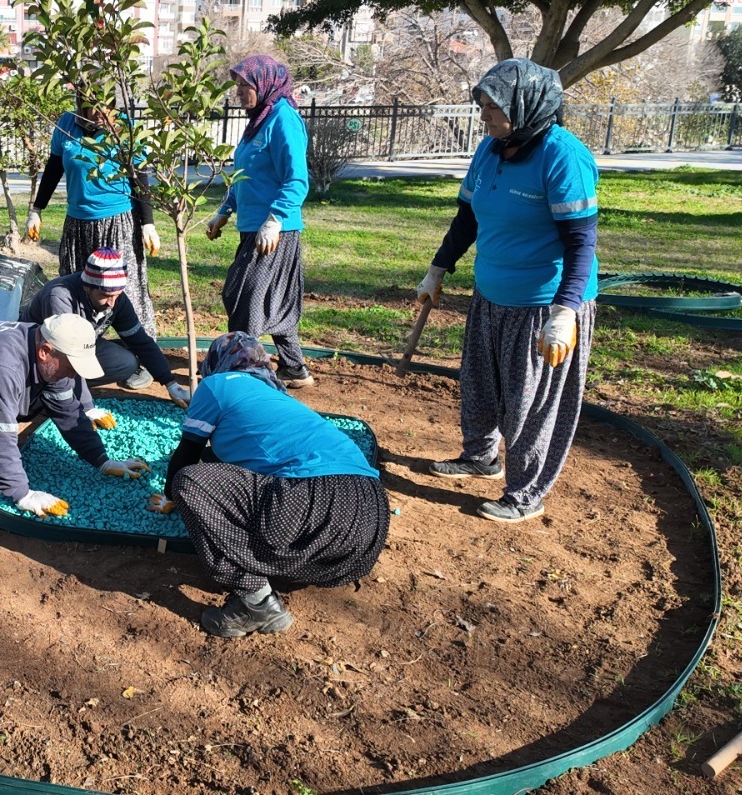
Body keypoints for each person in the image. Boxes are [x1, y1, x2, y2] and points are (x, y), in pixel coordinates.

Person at [415, 58, 598, 524]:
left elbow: (581, 241)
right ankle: (480, 457)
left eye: (492, 107)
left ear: (527, 105)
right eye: (482, 106)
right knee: (480, 382)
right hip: (491, 294)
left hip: (543, 305)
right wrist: (438, 268)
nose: (483, 115)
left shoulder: (563, 156)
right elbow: (468, 218)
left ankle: (526, 491)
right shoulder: (490, 150)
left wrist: (565, 311)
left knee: (528, 403)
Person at [156, 332, 388, 638]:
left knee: (190, 484)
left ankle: (256, 601)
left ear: (216, 364)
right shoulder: (278, 397)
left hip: (310, 500)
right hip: (365, 528)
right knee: (258, 504)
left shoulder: (217, 385)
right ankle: (276, 574)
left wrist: (170, 493)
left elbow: (184, 463)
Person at [0, 314, 150, 517]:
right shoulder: (2, 366)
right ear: (45, 351)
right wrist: (23, 494)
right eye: (71, 367)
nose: (73, 375)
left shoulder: (45, 346)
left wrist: (102, 459)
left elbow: (68, 411)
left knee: (35, 404)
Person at [204, 56, 313, 388]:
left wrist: (275, 218)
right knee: (268, 299)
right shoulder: (258, 123)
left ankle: (244, 375)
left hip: (274, 232)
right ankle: (294, 369)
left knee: (244, 298)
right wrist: (225, 209)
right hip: (252, 227)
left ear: (265, 85)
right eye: (237, 85)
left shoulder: (283, 120)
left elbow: (296, 179)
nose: (238, 92)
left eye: (244, 85)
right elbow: (246, 177)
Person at [26, 101, 159, 344]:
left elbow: (139, 177)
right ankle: (76, 345)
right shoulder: (66, 124)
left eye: (105, 106)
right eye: (92, 107)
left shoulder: (127, 128)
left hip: (117, 223)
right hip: (77, 224)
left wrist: (147, 223)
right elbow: (54, 168)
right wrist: (36, 210)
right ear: (80, 103)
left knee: (125, 289)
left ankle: (143, 352)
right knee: (77, 285)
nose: (99, 114)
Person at [20, 248, 190, 406]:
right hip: (40, 355)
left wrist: (171, 384)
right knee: (56, 374)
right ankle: (50, 390)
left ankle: (69, 387)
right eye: (105, 295)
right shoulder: (60, 296)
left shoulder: (116, 300)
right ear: (87, 286)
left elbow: (141, 342)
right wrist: (86, 407)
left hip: (79, 348)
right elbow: (63, 353)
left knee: (125, 363)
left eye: (116, 295)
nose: (111, 303)